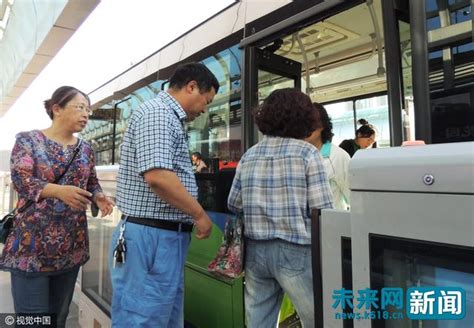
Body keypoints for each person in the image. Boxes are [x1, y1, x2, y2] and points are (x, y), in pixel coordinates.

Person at [110, 62, 219, 327]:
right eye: (207, 100)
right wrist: (199, 214)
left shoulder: (165, 116)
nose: (205, 108)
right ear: (191, 86)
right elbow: (157, 176)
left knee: (161, 316)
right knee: (143, 318)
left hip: (160, 236)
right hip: (152, 237)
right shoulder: (158, 114)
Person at [0, 86, 114, 327]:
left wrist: (99, 196)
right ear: (57, 109)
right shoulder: (28, 140)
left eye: (88, 109)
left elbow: (91, 182)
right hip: (30, 249)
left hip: (70, 249)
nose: (86, 114)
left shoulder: (85, 149)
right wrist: (58, 191)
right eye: (80, 107)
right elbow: (21, 179)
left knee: (57, 320)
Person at [227, 88, 333, 328]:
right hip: (296, 251)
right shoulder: (307, 154)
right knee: (318, 319)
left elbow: (234, 203)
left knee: (258, 321)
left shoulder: (249, 155)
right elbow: (322, 210)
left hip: (255, 251)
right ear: (304, 117)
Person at [306, 103, 350, 211]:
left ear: (322, 125)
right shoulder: (295, 155)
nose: (304, 128)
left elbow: (354, 198)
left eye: (310, 123)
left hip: (330, 223)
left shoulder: (338, 156)